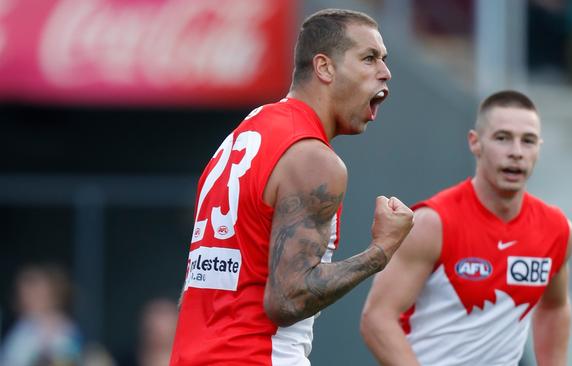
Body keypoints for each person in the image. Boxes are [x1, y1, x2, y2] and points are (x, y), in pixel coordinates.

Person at [170, 8, 414, 366]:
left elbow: (200, 276)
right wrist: (380, 251)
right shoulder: (313, 158)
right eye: (369, 58)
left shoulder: (247, 131)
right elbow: (287, 300)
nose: (385, 72)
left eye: (384, 59)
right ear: (324, 67)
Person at [361, 90, 572, 366]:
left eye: (528, 141)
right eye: (503, 138)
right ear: (475, 143)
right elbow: (377, 319)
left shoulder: (556, 230)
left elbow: (555, 306)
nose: (516, 152)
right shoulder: (433, 223)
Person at [0, 263, 83, 366]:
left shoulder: (64, 328)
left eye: (34, 293)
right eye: (23, 293)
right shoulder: (23, 326)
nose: (26, 299)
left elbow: (69, 360)